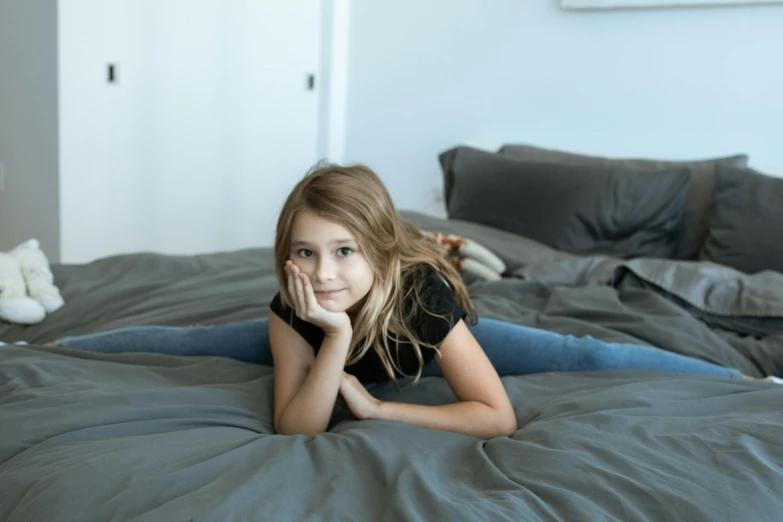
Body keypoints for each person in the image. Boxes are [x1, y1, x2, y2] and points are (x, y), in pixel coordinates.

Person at [44, 163, 780, 439]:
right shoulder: (298, 300)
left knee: (573, 351)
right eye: (304, 251)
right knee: (194, 340)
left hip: (414, 335)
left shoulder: (421, 295)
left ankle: (743, 380)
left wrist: (381, 407)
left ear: (380, 252)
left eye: (343, 252)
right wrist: (331, 338)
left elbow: (495, 416)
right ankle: (41, 345)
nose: (322, 272)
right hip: (347, 341)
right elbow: (294, 427)